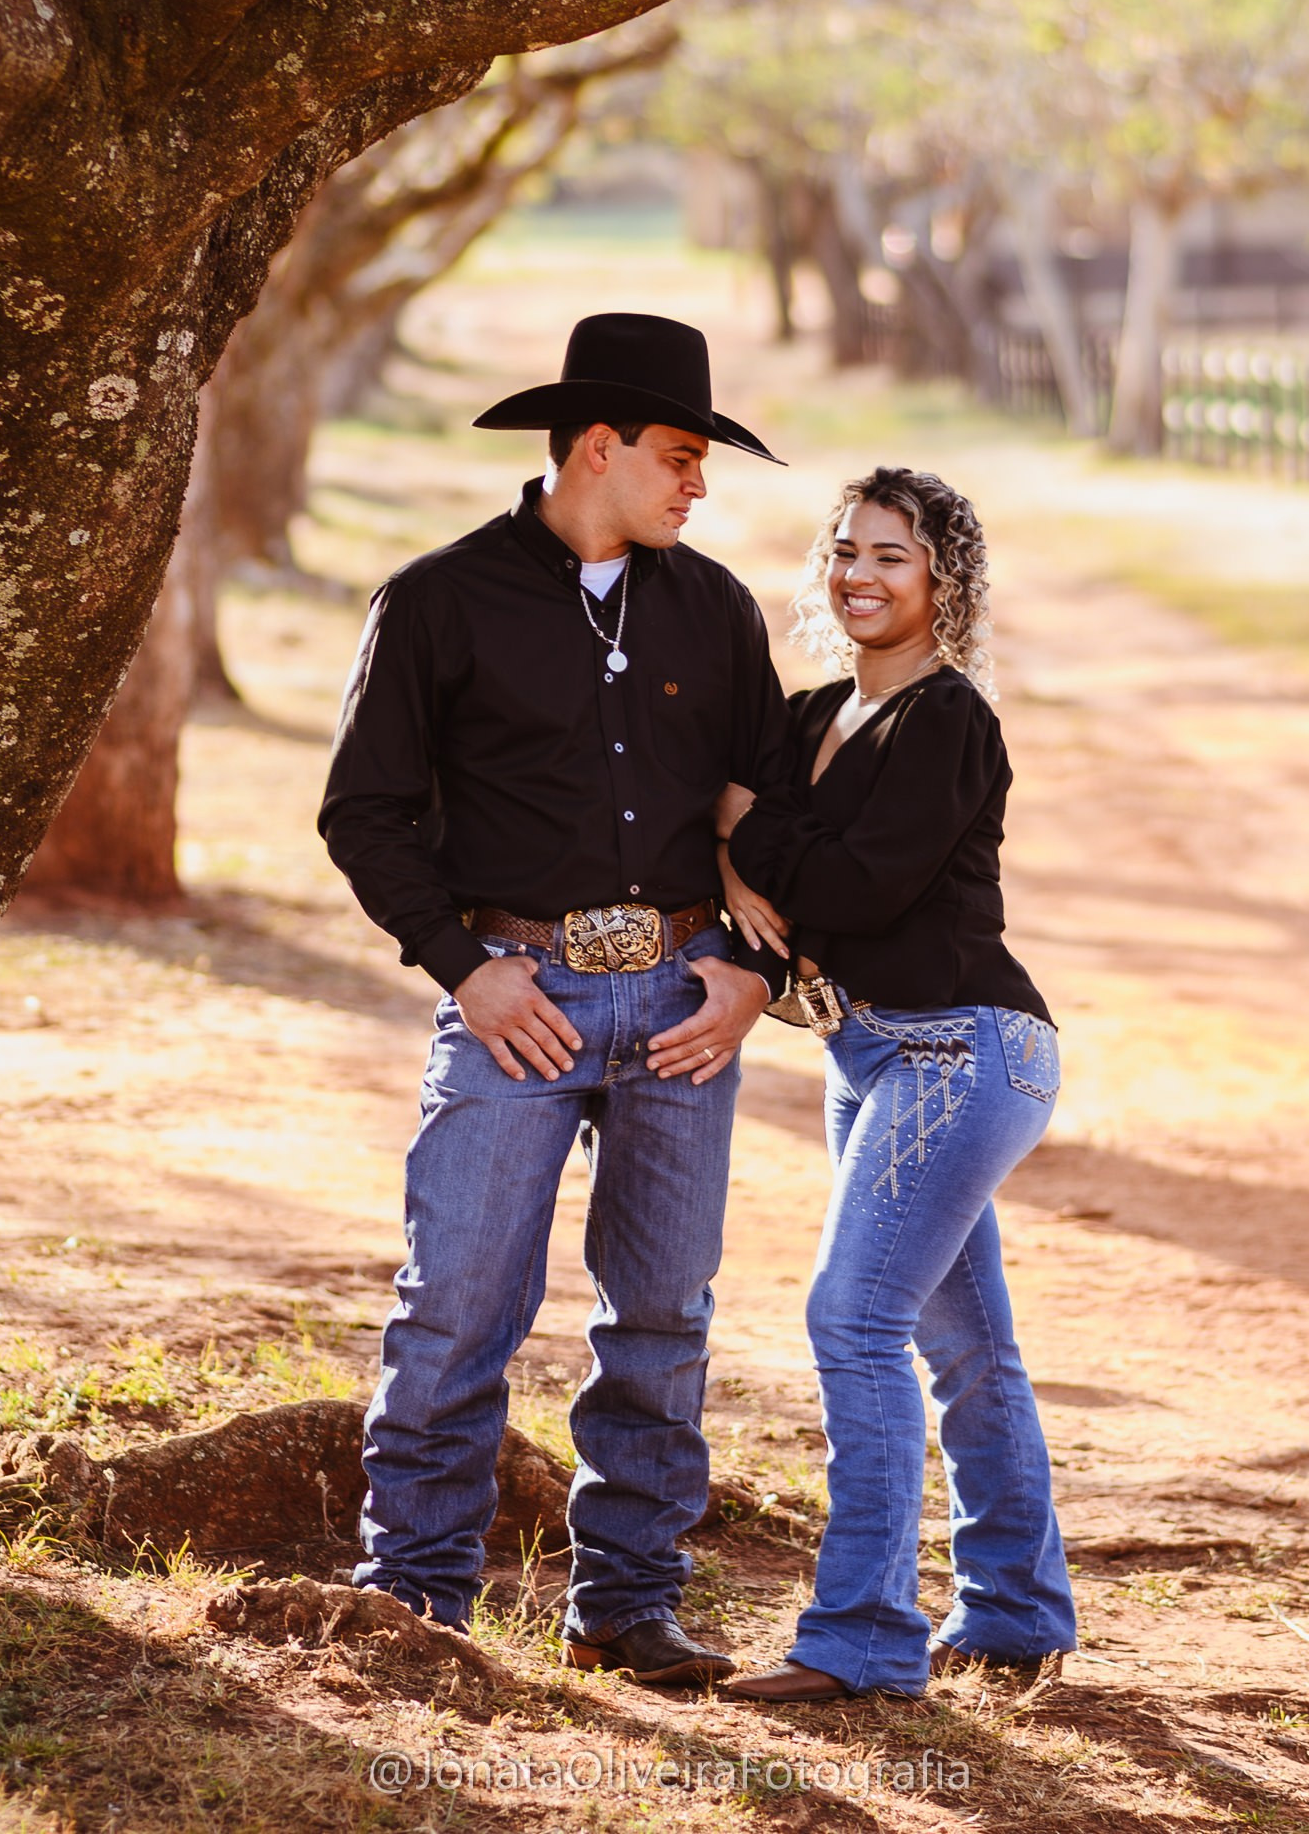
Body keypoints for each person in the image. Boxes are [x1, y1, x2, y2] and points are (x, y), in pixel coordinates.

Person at [319, 312, 784, 1689]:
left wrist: (754, 972)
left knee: (663, 1313)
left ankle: (628, 1605)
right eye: (683, 458)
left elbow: (772, 811)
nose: (698, 488)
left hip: (686, 1007)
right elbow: (367, 814)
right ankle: (413, 1605)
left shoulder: (715, 608)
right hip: (515, 992)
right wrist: (468, 966)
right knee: (460, 1299)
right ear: (599, 448)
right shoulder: (440, 600)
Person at [715, 464, 1076, 1704]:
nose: (860, 578)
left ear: (943, 585)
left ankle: (862, 1639)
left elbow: (856, 887)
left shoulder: (950, 721)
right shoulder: (812, 709)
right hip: (864, 1052)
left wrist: (744, 845)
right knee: (964, 1344)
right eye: (846, 552)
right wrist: (740, 847)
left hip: (964, 1048)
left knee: (850, 1318)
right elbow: (733, 824)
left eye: (893, 558)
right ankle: (1017, 1613)